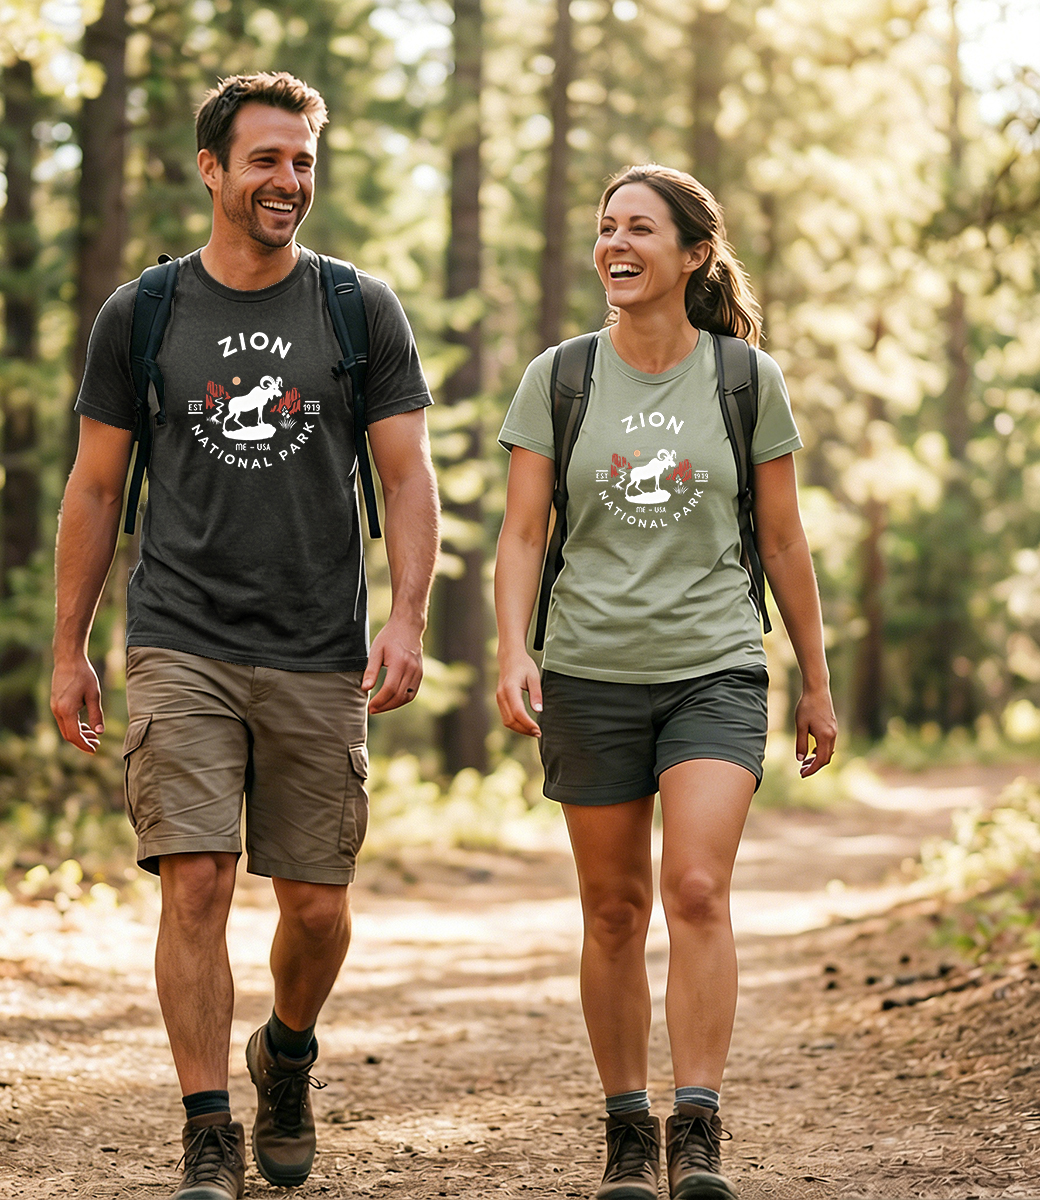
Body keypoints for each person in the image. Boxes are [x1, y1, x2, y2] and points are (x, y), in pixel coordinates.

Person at [50, 72, 440, 1200]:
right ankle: (207, 1127)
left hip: (321, 644)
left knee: (316, 907)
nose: (289, 182)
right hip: (182, 632)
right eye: (266, 160)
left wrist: (407, 617)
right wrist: (69, 647)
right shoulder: (146, 314)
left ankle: (287, 1053)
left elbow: (408, 477)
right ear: (213, 169)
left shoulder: (358, 309)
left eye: (304, 161)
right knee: (199, 880)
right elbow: (94, 488)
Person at [494, 164, 836, 1200]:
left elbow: (783, 539)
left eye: (639, 228)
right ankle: (626, 1132)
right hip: (590, 672)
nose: (615, 244)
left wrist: (816, 681)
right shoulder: (560, 377)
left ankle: (698, 1126)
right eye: (605, 227)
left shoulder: (743, 378)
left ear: (694, 255)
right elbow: (520, 535)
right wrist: (514, 649)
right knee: (611, 909)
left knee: (695, 888)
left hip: (715, 667)